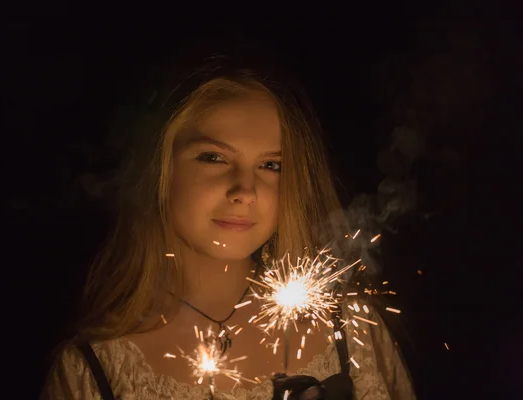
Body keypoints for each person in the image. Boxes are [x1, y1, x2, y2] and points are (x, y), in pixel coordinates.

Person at [40, 55, 417, 400]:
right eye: (214, 158)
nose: (245, 191)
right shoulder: (93, 369)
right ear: (157, 170)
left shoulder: (350, 332)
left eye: (271, 165)